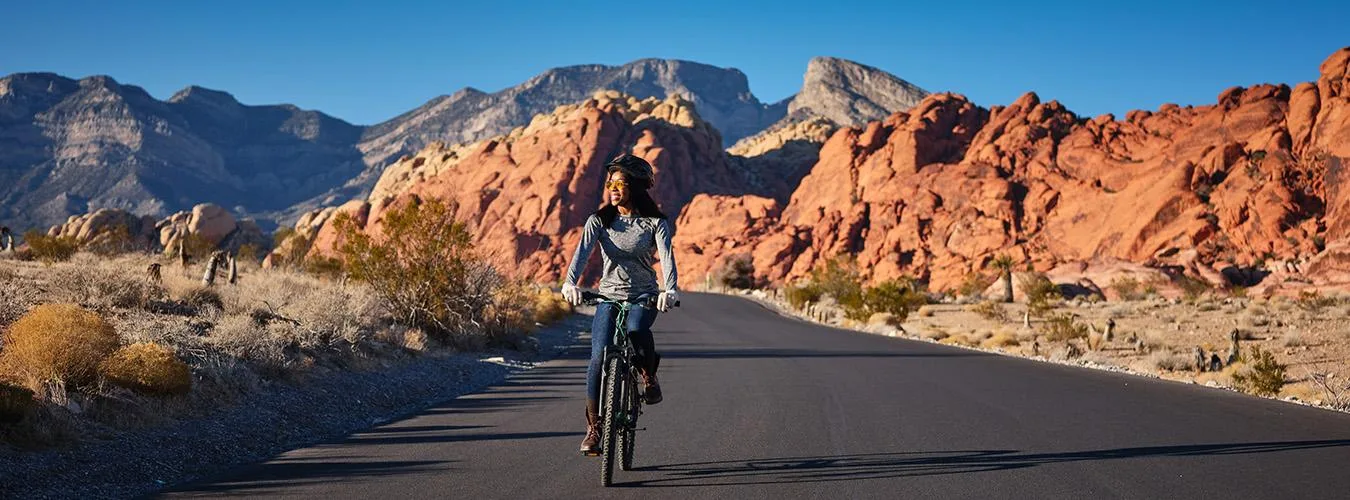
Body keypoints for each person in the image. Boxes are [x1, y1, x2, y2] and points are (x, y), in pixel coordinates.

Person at [561, 153, 679, 456]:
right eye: (609, 182)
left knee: (637, 328)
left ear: (636, 187)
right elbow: (581, 254)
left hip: (643, 295)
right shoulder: (599, 221)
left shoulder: (655, 223)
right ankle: (594, 428)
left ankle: (648, 376)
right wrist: (569, 283)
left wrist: (670, 290)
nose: (613, 188)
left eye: (620, 183)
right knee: (598, 357)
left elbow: (666, 258)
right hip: (609, 295)